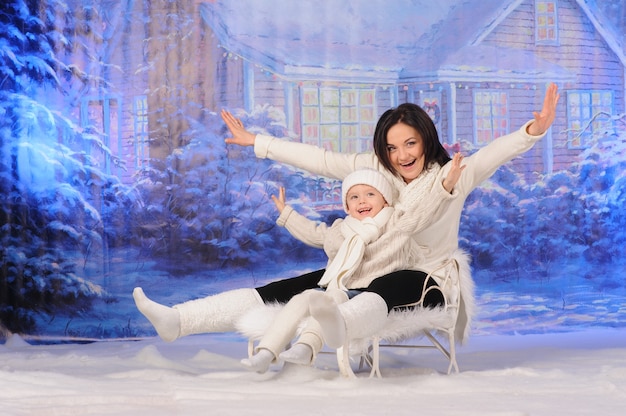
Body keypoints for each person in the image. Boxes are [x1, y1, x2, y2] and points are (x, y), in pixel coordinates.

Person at [221, 83, 560, 354]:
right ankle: (182, 319)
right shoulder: (374, 170)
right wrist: (257, 141)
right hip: (370, 268)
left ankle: (322, 337)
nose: (402, 156)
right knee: (295, 286)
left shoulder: (452, 173)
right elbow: (320, 160)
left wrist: (533, 130)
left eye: (410, 144)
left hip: (426, 279)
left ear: (426, 140)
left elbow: (493, 154)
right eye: (392, 148)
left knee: (376, 288)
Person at [241, 162, 464, 373]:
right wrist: (286, 213)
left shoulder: (396, 223)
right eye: (354, 197)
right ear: (347, 206)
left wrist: (445, 186)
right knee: (306, 297)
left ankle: (306, 348)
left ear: (385, 200)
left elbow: (422, 213)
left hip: (369, 295)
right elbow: (314, 233)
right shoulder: (342, 230)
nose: (362, 201)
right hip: (339, 286)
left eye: (370, 194)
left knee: (332, 301)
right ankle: (266, 353)